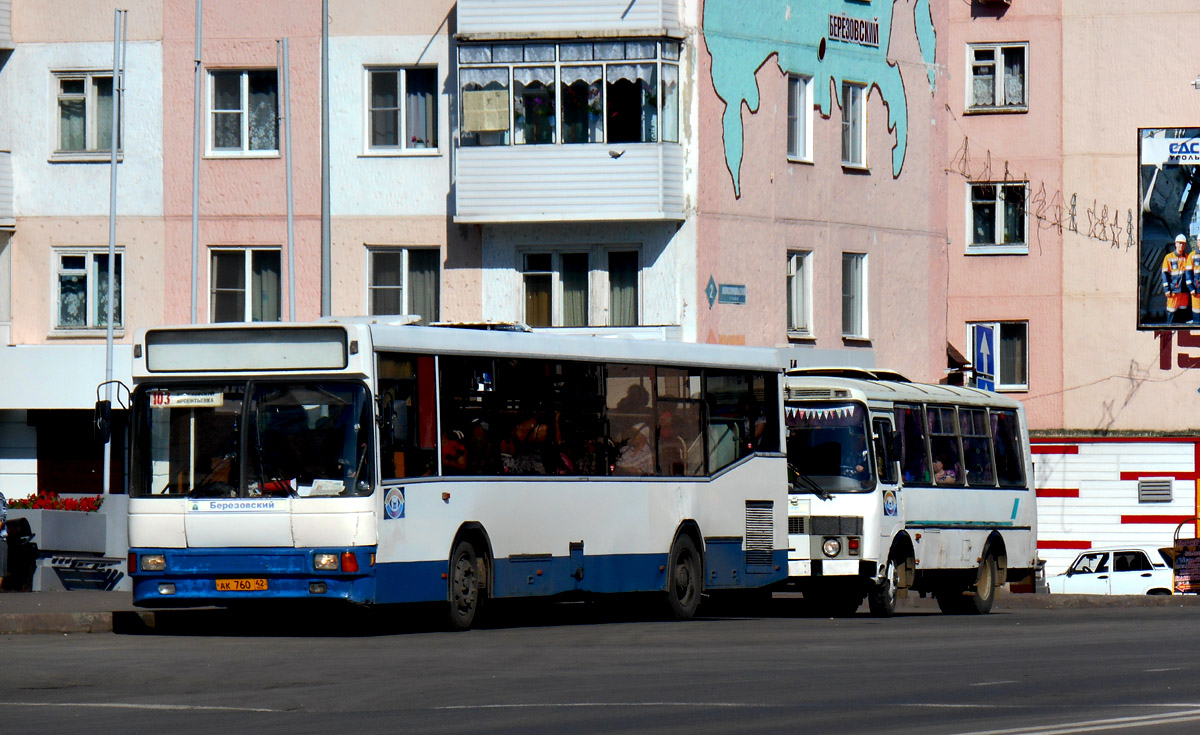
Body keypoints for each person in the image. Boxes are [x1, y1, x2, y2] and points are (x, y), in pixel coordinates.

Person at [1162, 234, 1192, 324]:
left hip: (1184, 293)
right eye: (1179, 243)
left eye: (1183, 244)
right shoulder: (1168, 257)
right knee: (1171, 315)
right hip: (1173, 293)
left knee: (1182, 318)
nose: (1181, 246)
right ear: (1175, 244)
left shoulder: (1188, 258)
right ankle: (1168, 336)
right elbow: (1165, 275)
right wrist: (1167, 290)